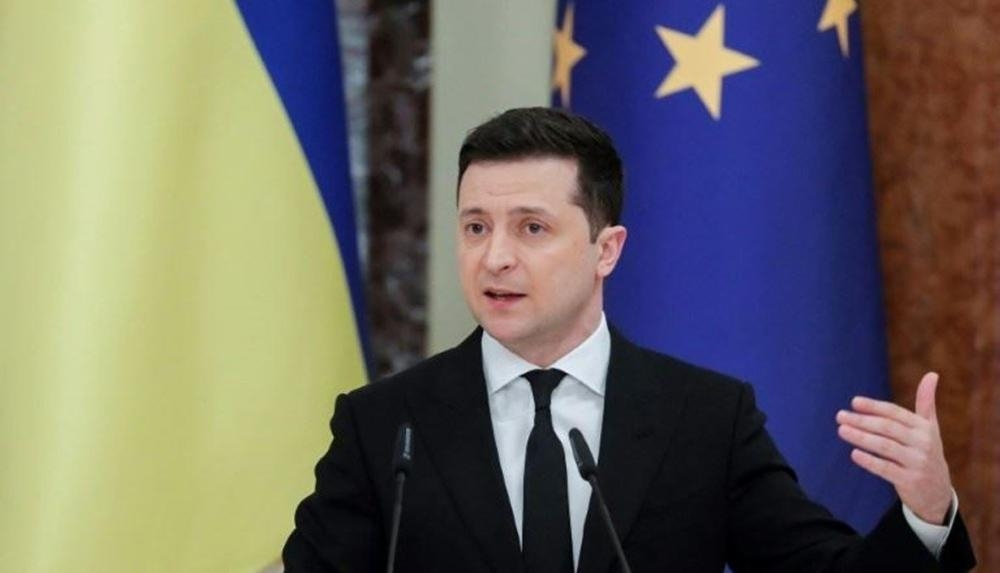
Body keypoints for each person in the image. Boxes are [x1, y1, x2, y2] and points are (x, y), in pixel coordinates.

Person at [282, 107, 976, 572]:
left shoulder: (705, 420)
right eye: (475, 227)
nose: (495, 258)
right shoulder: (384, 426)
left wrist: (927, 511)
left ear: (606, 249)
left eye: (531, 228)